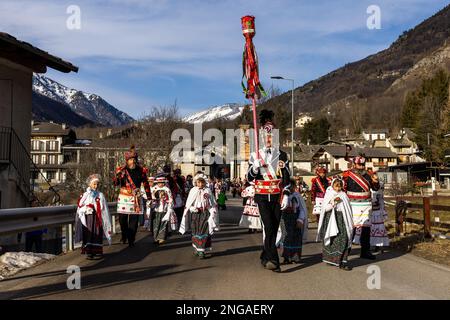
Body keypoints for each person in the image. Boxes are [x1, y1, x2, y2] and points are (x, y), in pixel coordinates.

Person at [247, 109, 291, 273]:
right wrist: (254, 168)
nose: (269, 138)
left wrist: (286, 193)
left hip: (277, 196)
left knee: (273, 226)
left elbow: (286, 176)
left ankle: (265, 255)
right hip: (262, 196)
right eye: (266, 136)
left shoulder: (283, 155)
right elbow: (249, 178)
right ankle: (274, 260)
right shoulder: (255, 155)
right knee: (269, 227)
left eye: (272, 135)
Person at [343, 153, 379, 260]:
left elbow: (375, 188)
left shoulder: (368, 175)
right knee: (351, 228)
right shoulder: (347, 175)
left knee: (366, 229)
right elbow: (343, 190)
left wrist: (376, 182)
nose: (362, 167)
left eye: (363, 165)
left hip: (366, 204)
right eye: (359, 165)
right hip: (352, 205)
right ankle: (346, 250)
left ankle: (365, 251)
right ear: (354, 164)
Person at [114, 145, 152, 247]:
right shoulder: (122, 170)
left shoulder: (142, 171)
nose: (133, 161)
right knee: (122, 219)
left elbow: (146, 184)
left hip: (136, 197)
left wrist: (149, 197)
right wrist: (117, 177)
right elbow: (115, 183)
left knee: (134, 220)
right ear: (127, 161)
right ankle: (124, 234)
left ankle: (131, 238)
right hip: (124, 197)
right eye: (130, 159)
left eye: (134, 159)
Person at [317, 178, 354, 270]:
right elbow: (325, 209)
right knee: (333, 239)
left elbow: (348, 209)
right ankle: (332, 259)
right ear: (332, 186)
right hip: (331, 220)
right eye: (336, 186)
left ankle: (343, 262)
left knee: (344, 238)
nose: (338, 188)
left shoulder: (344, 195)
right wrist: (333, 203)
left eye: (340, 186)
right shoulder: (329, 194)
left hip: (342, 219)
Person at [179, 174, 218, 259]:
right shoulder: (193, 190)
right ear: (196, 182)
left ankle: (202, 251)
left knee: (204, 231)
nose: (200, 184)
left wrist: (212, 212)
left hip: (205, 214)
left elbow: (212, 203)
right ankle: (197, 248)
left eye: (202, 182)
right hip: (195, 215)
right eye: (198, 182)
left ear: (205, 182)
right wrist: (192, 208)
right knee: (196, 231)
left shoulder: (208, 190)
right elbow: (189, 203)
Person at [75, 174, 112, 259]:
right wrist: (86, 208)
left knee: (97, 233)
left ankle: (97, 251)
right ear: (90, 184)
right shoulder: (85, 195)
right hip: (88, 218)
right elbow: (80, 205)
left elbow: (104, 208)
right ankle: (89, 252)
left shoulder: (100, 195)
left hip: (97, 218)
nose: (96, 186)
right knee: (89, 233)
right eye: (94, 184)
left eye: (97, 184)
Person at [278, 179, 307, 264]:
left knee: (296, 237)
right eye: (289, 186)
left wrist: (300, 219)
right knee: (286, 236)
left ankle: (295, 257)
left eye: (293, 186)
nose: (291, 188)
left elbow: (302, 209)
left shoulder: (297, 196)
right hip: (285, 218)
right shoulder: (283, 196)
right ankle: (286, 257)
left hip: (296, 218)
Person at [150, 175, 177, 245]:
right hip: (156, 209)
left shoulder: (167, 189)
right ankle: (155, 238)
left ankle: (161, 238)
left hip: (164, 209)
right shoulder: (154, 189)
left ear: (164, 183)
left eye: (162, 182)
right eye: (159, 183)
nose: (160, 184)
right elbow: (150, 198)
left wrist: (169, 207)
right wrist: (153, 201)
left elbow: (171, 199)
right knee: (156, 224)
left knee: (163, 224)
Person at [370, 181, 390, 250]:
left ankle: (379, 244)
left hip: (378, 214)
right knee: (373, 229)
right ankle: (374, 244)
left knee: (379, 229)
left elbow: (381, 204)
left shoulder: (379, 195)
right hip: (372, 214)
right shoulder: (372, 193)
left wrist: (384, 214)